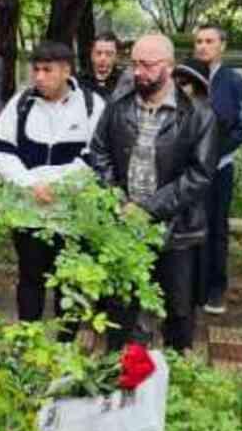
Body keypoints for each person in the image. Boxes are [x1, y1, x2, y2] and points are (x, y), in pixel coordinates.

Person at [87, 32, 218, 352]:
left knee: (177, 312)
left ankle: (174, 384)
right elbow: (99, 152)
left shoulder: (199, 114)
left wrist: (148, 209)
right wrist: (118, 199)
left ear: (169, 66)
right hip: (123, 225)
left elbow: (200, 174)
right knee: (121, 309)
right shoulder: (118, 106)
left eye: (147, 65)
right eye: (134, 64)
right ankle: (117, 375)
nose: (138, 72)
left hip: (177, 230)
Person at [0, 41, 104, 322]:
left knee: (72, 279)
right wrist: (30, 184)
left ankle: (67, 347)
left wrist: (57, 185)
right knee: (30, 276)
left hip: (73, 212)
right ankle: (28, 339)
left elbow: (96, 157)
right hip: (28, 211)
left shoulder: (92, 105)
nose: (39, 76)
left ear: (66, 70)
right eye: (36, 69)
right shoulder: (20, 103)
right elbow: (3, 149)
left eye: (47, 70)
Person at [191, 23, 242, 316]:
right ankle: (192, 286)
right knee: (190, 226)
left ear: (222, 46)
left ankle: (216, 288)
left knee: (216, 227)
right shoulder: (185, 78)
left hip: (219, 167)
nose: (203, 46)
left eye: (209, 41)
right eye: (199, 41)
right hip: (188, 170)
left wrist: (215, 153)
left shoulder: (234, 82)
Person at [78, 32, 123, 99]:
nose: (103, 58)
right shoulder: (79, 81)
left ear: (116, 57)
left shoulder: (124, 81)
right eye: (98, 53)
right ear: (91, 55)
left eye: (109, 54)